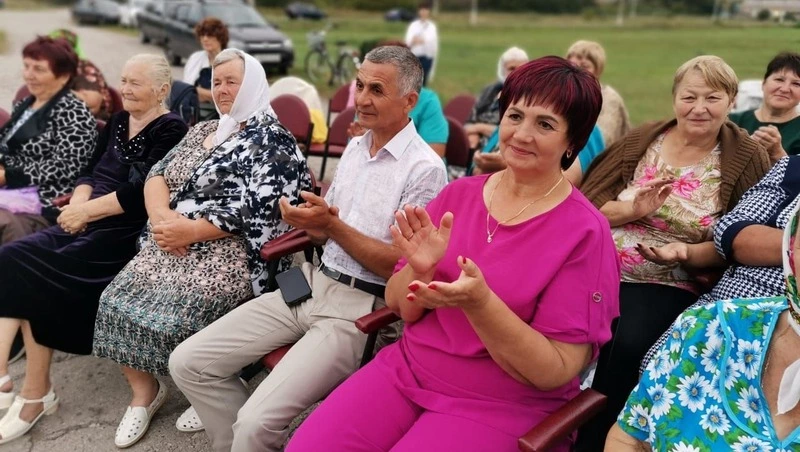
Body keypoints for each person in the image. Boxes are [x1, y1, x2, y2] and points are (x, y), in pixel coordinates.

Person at [285, 56, 620, 452]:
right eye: (515, 116)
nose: (521, 134)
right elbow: (398, 304)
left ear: (573, 141)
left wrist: (481, 304)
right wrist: (419, 270)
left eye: (545, 124)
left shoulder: (584, 232)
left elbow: (555, 370)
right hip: (409, 370)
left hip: (501, 403)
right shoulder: (459, 195)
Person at [169, 45, 448, 452]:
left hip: (362, 307)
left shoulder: (424, 169)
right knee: (188, 363)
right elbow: (326, 233)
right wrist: (311, 224)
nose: (361, 98)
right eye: (359, 85)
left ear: (409, 101)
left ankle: (250, 438)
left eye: (376, 90)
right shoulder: (356, 147)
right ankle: (239, 444)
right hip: (311, 283)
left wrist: (330, 226)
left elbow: (403, 267)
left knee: (256, 422)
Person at [92, 49, 311, 449]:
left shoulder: (273, 140)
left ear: (254, 84)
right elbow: (158, 173)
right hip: (170, 239)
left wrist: (191, 230)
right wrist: (162, 219)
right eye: (217, 81)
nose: (222, 89)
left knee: (182, 316)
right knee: (112, 301)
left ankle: (212, 385)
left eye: (232, 81)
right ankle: (145, 392)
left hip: (229, 252)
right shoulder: (205, 128)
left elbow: (263, 209)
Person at [576, 55, 773, 450]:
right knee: (561, 326)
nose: (699, 108)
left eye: (712, 98)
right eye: (689, 97)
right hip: (597, 265)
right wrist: (632, 209)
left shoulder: (746, 157)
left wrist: (684, 253)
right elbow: (587, 206)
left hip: (669, 279)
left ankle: (600, 439)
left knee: (627, 342)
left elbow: (741, 242)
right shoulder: (643, 140)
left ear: (732, 101)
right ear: (674, 99)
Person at [0, 54, 187, 446]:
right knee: (12, 258)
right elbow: (89, 171)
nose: (125, 89)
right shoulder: (118, 121)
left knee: (35, 271)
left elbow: (139, 193)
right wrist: (77, 206)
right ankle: (15, 382)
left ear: (162, 90)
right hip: (84, 218)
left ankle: (34, 394)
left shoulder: (172, 128)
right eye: (124, 80)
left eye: (136, 83)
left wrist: (86, 212)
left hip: (120, 231)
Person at [606, 200, 800, 450]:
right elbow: (630, 438)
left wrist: (687, 252)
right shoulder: (708, 325)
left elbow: (728, 243)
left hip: (675, 281)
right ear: (791, 244)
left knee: (628, 340)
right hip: (722, 316)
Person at [639, 155, 800, 372]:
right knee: (657, 369)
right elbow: (730, 232)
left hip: (789, 332)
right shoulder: (794, 168)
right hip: (729, 305)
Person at [0, 36, 96, 244]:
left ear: (63, 76)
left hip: (45, 200)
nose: (29, 75)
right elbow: (8, 147)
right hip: (10, 192)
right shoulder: (26, 104)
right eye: (27, 66)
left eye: (39, 69)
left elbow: (66, 166)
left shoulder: (74, 112)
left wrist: (8, 176)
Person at [730, 52, 800, 159]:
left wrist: (778, 154)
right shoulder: (732, 122)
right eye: (779, 80)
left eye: (796, 84)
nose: (785, 89)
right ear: (763, 83)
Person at [566, 40, 631, 147]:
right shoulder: (561, 94)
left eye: (584, 67)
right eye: (571, 65)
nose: (575, 72)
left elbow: (603, 137)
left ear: (597, 71)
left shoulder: (608, 98)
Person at [464, 46, 528, 151]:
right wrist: (473, 136)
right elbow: (470, 121)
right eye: (511, 68)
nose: (517, 72)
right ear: (502, 70)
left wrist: (478, 128)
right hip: (475, 145)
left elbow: (513, 131)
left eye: (521, 68)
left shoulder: (528, 97)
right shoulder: (489, 91)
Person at [49, 29, 114, 121]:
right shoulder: (48, 66)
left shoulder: (83, 67)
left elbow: (92, 103)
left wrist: (53, 91)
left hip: (94, 121)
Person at [183, 17, 227, 104]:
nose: (205, 39)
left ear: (220, 38)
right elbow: (185, 89)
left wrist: (197, 91)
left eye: (210, 35)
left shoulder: (229, 60)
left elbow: (228, 95)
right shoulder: (195, 58)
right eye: (202, 35)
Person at [404, 1, 438, 86]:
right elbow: (408, 40)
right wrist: (416, 40)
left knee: (424, 80)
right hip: (415, 56)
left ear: (428, 12)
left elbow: (430, 39)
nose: (423, 12)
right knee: (414, 80)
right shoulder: (413, 25)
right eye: (422, 10)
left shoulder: (432, 26)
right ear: (419, 11)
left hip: (427, 57)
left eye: (425, 10)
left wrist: (419, 40)